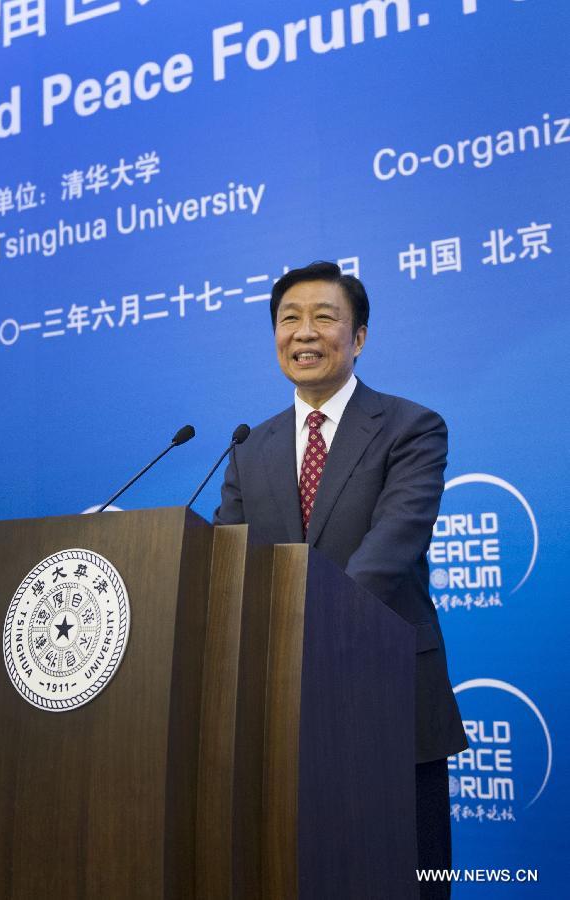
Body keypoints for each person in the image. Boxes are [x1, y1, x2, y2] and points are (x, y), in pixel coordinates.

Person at [214, 260, 467, 897]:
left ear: (358, 338)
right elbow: (227, 556)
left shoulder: (411, 427)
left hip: (388, 690)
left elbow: (392, 545)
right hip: (275, 709)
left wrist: (311, 625)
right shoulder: (251, 446)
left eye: (324, 318)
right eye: (288, 319)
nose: (304, 332)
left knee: (412, 877)